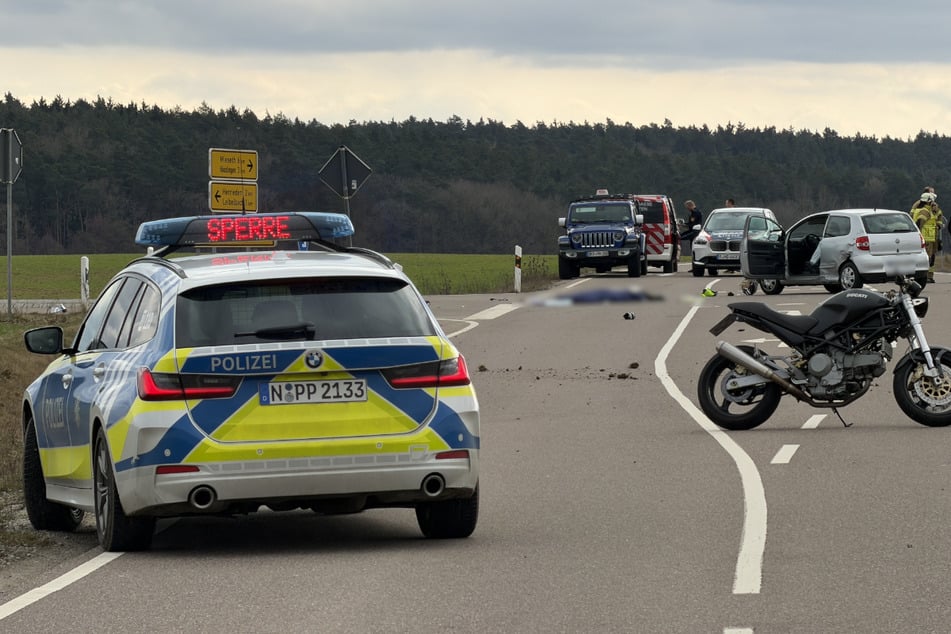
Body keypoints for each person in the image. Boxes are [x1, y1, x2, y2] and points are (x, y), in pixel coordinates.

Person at [911, 191, 943, 283]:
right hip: (926, 238)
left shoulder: (929, 210)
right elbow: (920, 223)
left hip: (930, 237)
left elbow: (938, 219)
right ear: (928, 201)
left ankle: (927, 276)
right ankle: (923, 277)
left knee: (930, 257)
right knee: (927, 258)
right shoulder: (925, 211)